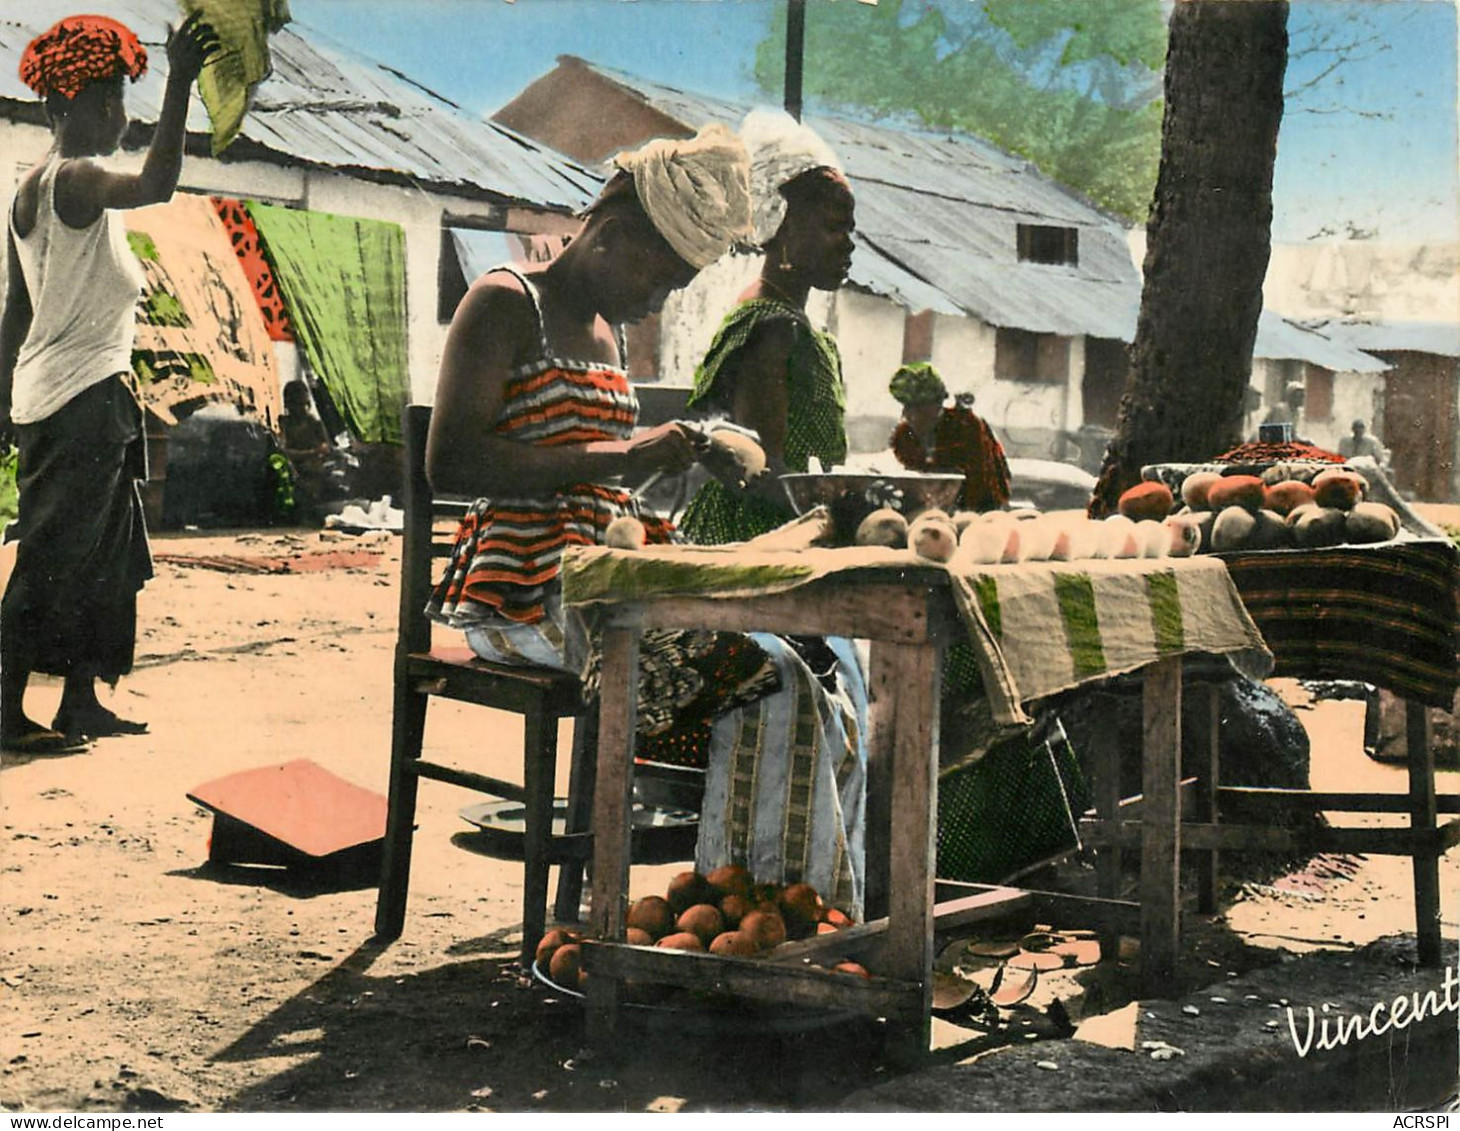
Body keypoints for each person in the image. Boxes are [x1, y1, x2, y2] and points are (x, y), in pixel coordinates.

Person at [425, 126, 869, 912]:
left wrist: (685, 448)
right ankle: (750, 906)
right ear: (612, 232)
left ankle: (791, 909)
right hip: (523, 590)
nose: (657, 301)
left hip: (608, 578)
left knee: (811, 658)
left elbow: (610, 455)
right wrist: (623, 455)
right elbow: (451, 463)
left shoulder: (607, 329)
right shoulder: (502, 302)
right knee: (765, 674)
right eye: (660, 281)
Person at [0, 13, 219, 753]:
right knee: (53, 555)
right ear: (62, 110)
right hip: (77, 403)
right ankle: (3, 710)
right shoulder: (80, 177)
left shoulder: (31, 194)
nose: (119, 118)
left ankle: (80, 700)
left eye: (123, 103)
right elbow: (158, 183)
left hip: (76, 396)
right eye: (105, 103)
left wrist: (6, 403)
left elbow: (16, 314)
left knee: (109, 556)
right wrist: (182, 81)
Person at [678, 108, 856, 545]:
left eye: (851, 229)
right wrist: (848, 514)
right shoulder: (771, 328)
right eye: (834, 227)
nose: (849, 243)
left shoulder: (793, 324)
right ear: (784, 223)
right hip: (761, 533)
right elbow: (760, 468)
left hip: (790, 523)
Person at [888, 362, 1011, 513]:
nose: (911, 416)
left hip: (980, 509)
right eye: (908, 407)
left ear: (939, 403)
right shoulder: (903, 436)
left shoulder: (967, 426)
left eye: (920, 408)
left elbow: (982, 483)